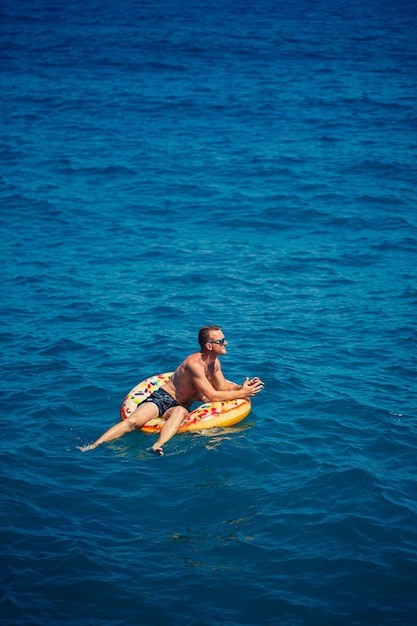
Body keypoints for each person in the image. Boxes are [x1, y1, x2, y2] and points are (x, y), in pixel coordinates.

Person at [79, 325, 264, 455]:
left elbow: (222, 386)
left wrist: (242, 386)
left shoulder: (214, 363)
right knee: (134, 422)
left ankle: (157, 445)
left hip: (180, 405)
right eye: (222, 341)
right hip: (162, 398)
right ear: (209, 346)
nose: (226, 343)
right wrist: (243, 394)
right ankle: (94, 446)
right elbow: (212, 395)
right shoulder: (194, 364)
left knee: (180, 412)